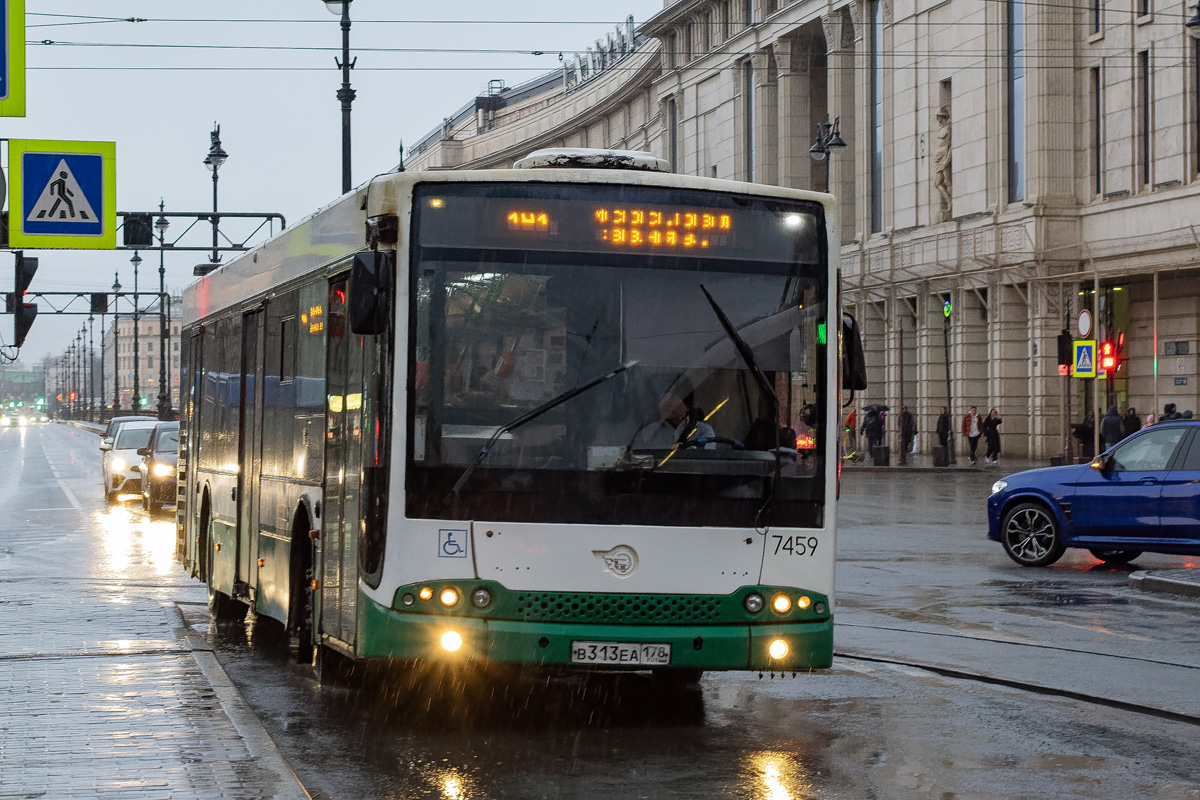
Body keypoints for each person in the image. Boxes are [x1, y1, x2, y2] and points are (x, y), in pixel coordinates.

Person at [631, 385, 714, 450]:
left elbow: (708, 462)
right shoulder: (646, 434)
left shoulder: (703, 431)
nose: (665, 405)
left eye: (671, 400)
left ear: (686, 405)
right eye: (662, 399)